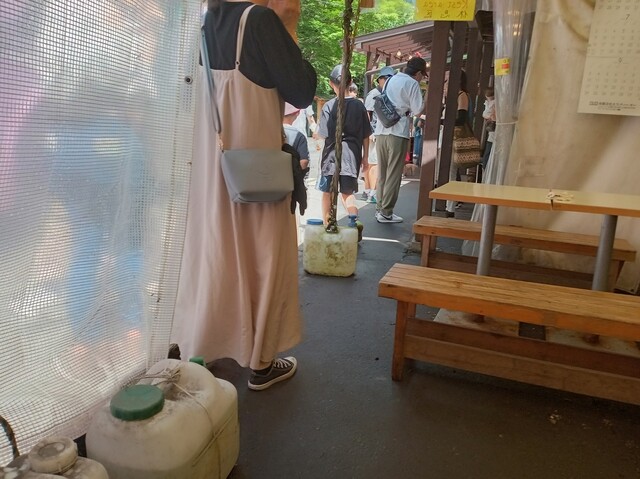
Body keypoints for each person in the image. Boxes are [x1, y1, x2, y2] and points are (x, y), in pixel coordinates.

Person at [172, 0, 317, 391]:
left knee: (216, 254)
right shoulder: (260, 21)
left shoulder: (204, 24)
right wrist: (289, 25)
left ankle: (203, 349)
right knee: (266, 257)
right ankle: (262, 364)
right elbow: (303, 90)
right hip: (257, 172)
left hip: (211, 172)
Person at [316, 65, 371, 240]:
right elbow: (366, 135)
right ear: (351, 81)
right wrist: (365, 157)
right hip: (351, 156)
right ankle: (354, 220)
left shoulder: (329, 106)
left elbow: (323, 134)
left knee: (328, 193)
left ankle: (327, 226)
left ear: (331, 83)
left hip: (331, 156)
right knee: (347, 193)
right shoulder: (359, 106)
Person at [374, 58, 428, 223]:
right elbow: (418, 111)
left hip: (381, 129)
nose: (422, 78)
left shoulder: (391, 79)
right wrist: (427, 95)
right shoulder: (412, 83)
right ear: (418, 73)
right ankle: (386, 212)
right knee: (394, 173)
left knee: (383, 172)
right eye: (422, 75)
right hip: (397, 132)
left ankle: (379, 208)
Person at [362, 66, 395, 204]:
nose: (388, 81)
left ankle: (368, 190)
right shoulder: (374, 94)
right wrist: (370, 131)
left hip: (376, 132)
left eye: (390, 79)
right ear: (380, 79)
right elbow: (367, 113)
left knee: (372, 162)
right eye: (385, 78)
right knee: (374, 163)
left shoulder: (384, 93)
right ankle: (372, 192)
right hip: (373, 133)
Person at [445, 69, 470, 217]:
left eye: (448, 79)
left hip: (455, 137)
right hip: (449, 137)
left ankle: (450, 207)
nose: (445, 82)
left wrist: (442, 121)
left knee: (451, 173)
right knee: (449, 171)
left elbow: (461, 119)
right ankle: (450, 204)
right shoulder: (453, 96)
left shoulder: (462, 95)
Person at [283, 102, 310, 175]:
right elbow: (304, 161)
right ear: (297, 113)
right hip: (290, 176)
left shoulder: (269, 132)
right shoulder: (299, 136)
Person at [481, 87, 496, 170]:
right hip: (492, 132)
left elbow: (487, 115)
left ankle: (485, 168)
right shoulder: (490, 103)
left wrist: (490, 117)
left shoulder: (494, 104)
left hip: (493, 133)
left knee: (488, 153)